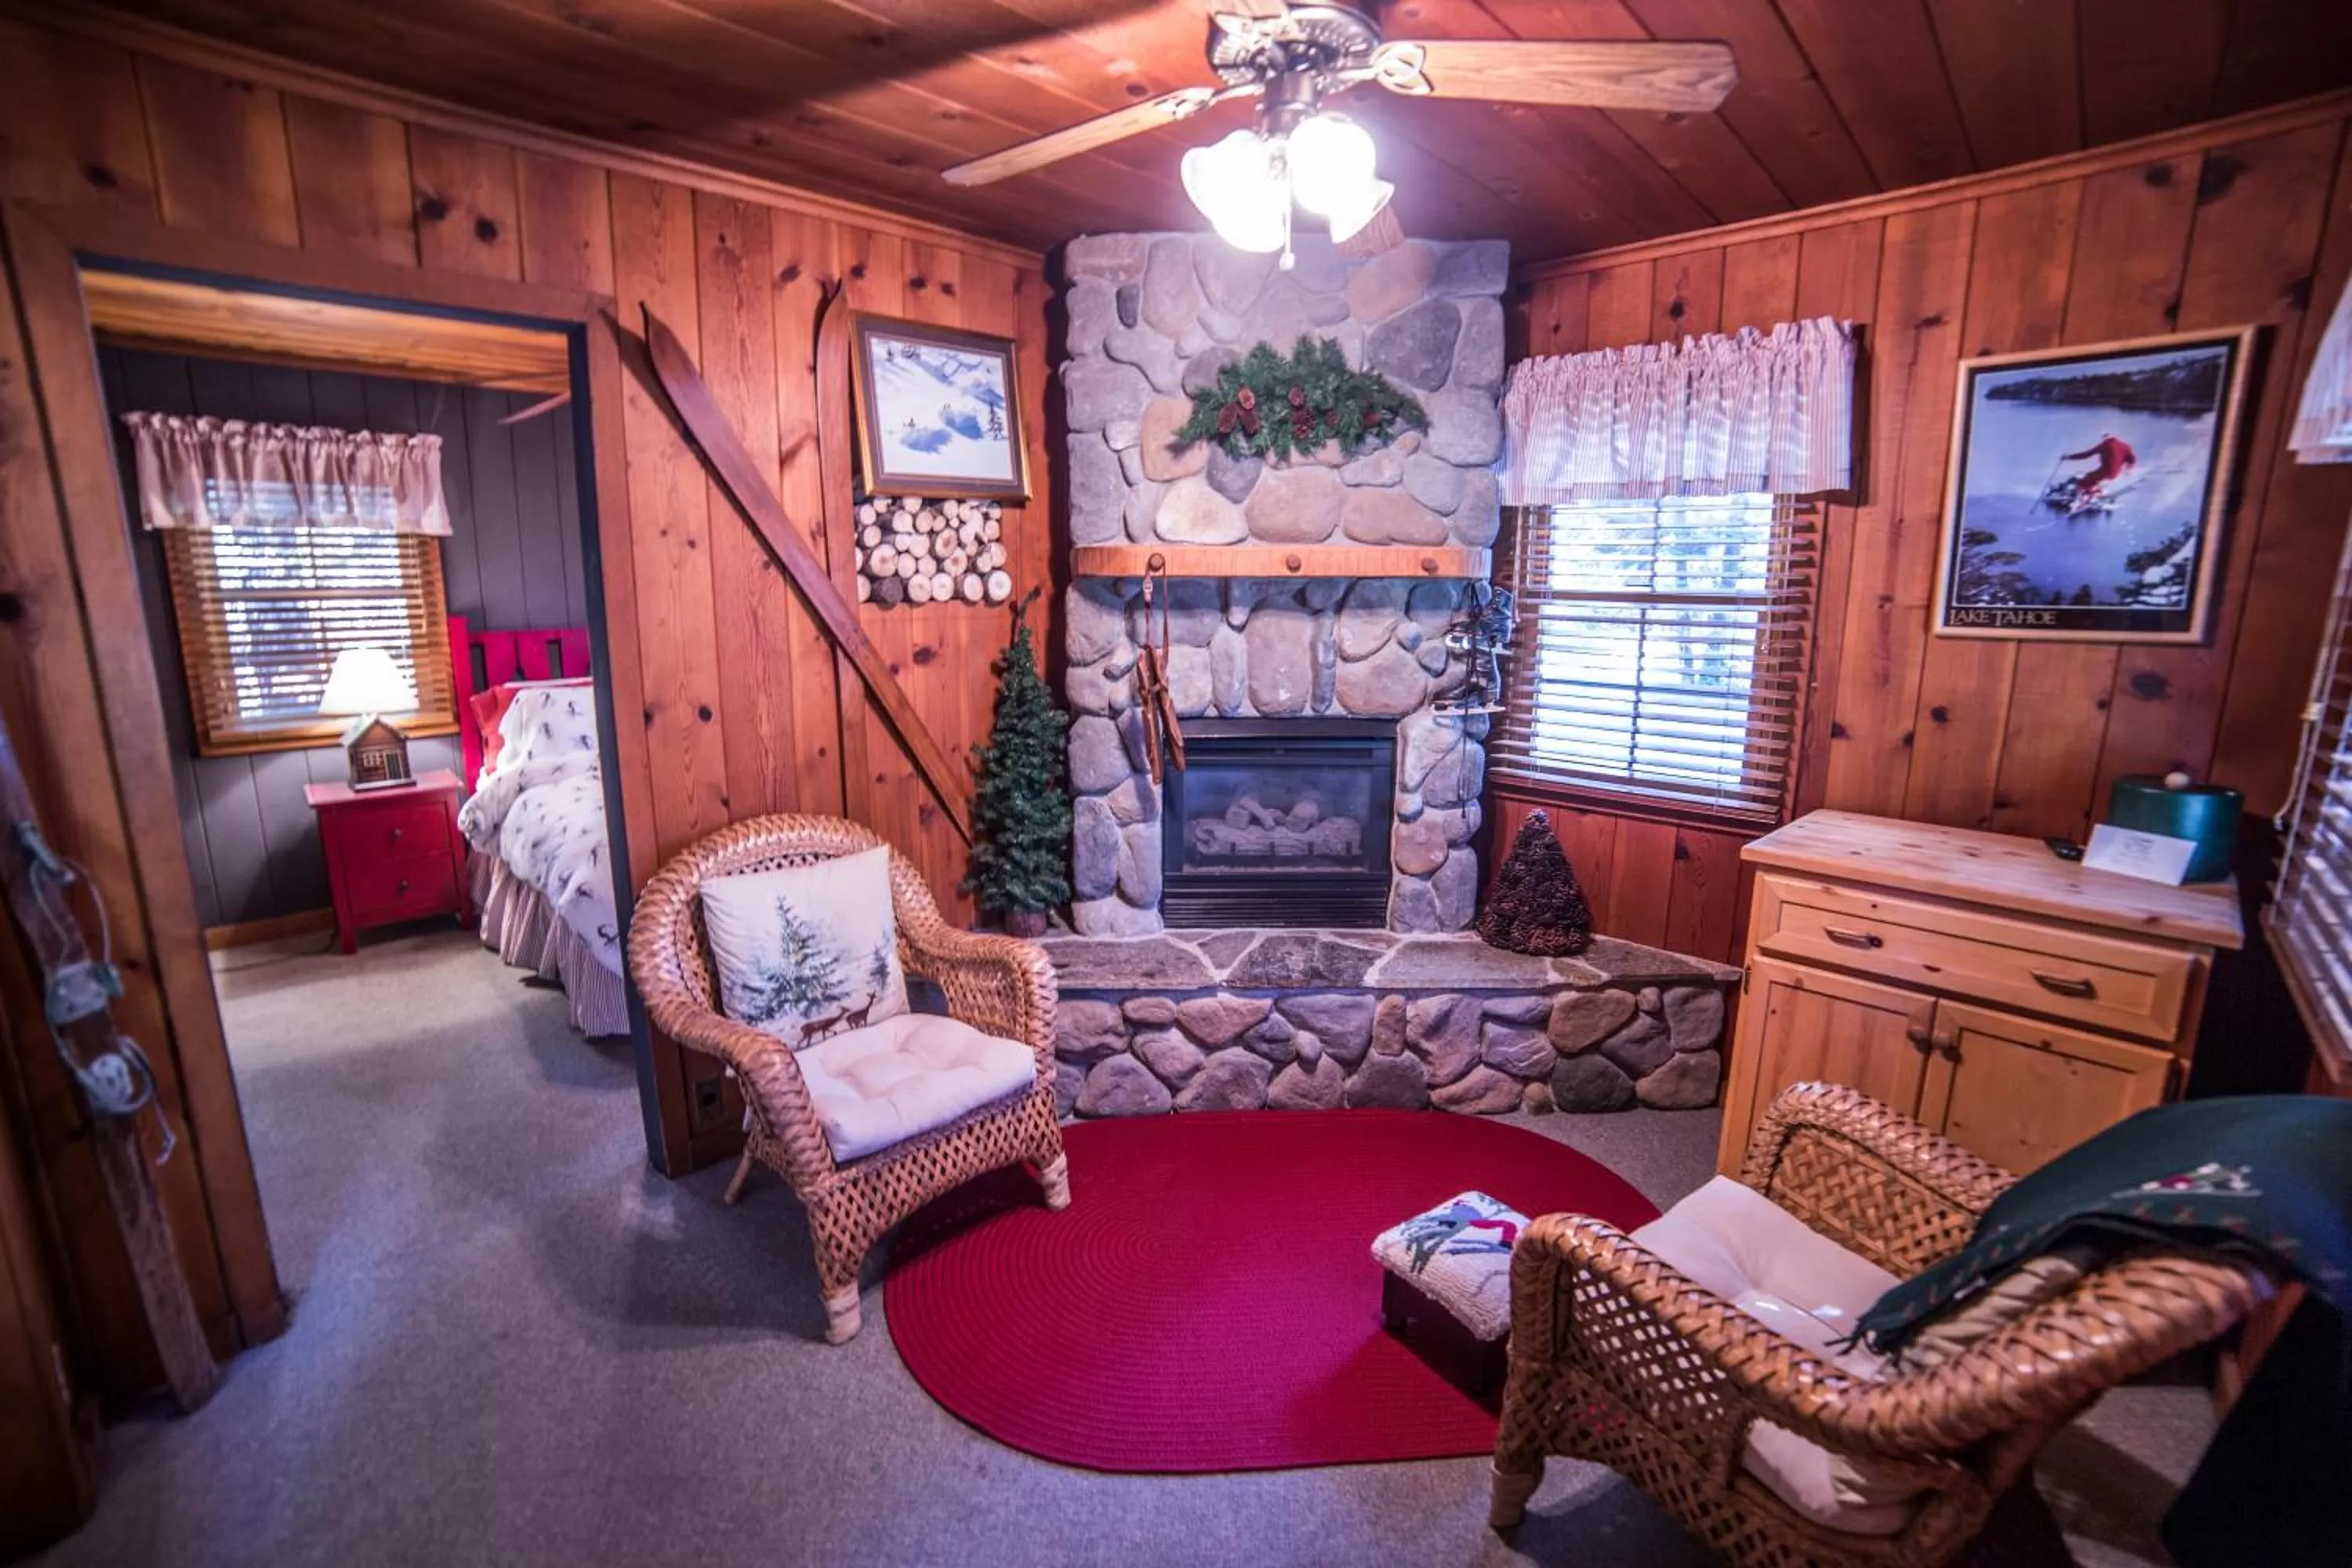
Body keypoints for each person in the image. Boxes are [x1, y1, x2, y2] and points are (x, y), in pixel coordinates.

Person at [2060, 431, 2136, 501]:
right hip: (2116, 473)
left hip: (2105, 471)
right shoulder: (2126, 446)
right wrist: (2130, 468)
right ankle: (2096, 492)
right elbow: (2132, 459)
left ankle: (2078, 500)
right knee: (2093, 479)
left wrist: (2069, 457)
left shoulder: (2104, 445)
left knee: (2084, 481)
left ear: (2105, 439)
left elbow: (2086, 454)